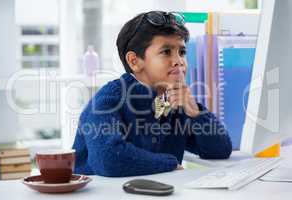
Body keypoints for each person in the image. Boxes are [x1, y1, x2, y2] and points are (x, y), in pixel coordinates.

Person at [72, 11, 232, 177]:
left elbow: (220, 150)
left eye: (182, 52)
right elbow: (109, 158)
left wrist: (196, 113)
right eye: (166, 52)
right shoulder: (107, 101)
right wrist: (169, 163)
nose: (179, 61)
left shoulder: (174, 101)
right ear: (134, 61)